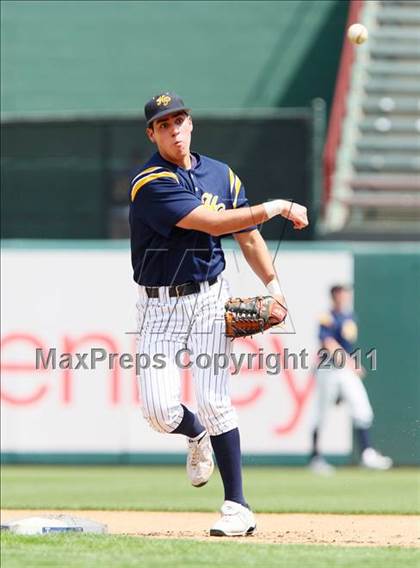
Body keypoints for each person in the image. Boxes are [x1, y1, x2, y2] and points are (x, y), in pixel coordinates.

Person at [128, 92, 308, 536]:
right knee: (157, 411)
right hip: (159, 306)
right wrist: (278, 206)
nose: (174, 130)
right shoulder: (150, 182)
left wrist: (275, 289)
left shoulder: (222, 175)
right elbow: (211, 224)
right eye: (164, 125)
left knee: (214, 399)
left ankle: (237, 506)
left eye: (180, 120)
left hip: (209, 297)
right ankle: (195, 435)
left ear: (191, 124)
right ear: (152, 134)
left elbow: (248, 239)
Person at [309, 284, 393, 474]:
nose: (344, 297)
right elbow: (328, 343)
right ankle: (315, 458)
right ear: (333, 296)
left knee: (362, 408)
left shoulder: (350, 316)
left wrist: (349, 363)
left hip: (344, 370)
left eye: (346, 293)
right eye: (340, 293)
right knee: (320, 414)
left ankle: (367, 454)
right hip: (328, 369)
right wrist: (351, 362)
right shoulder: (327, 317)